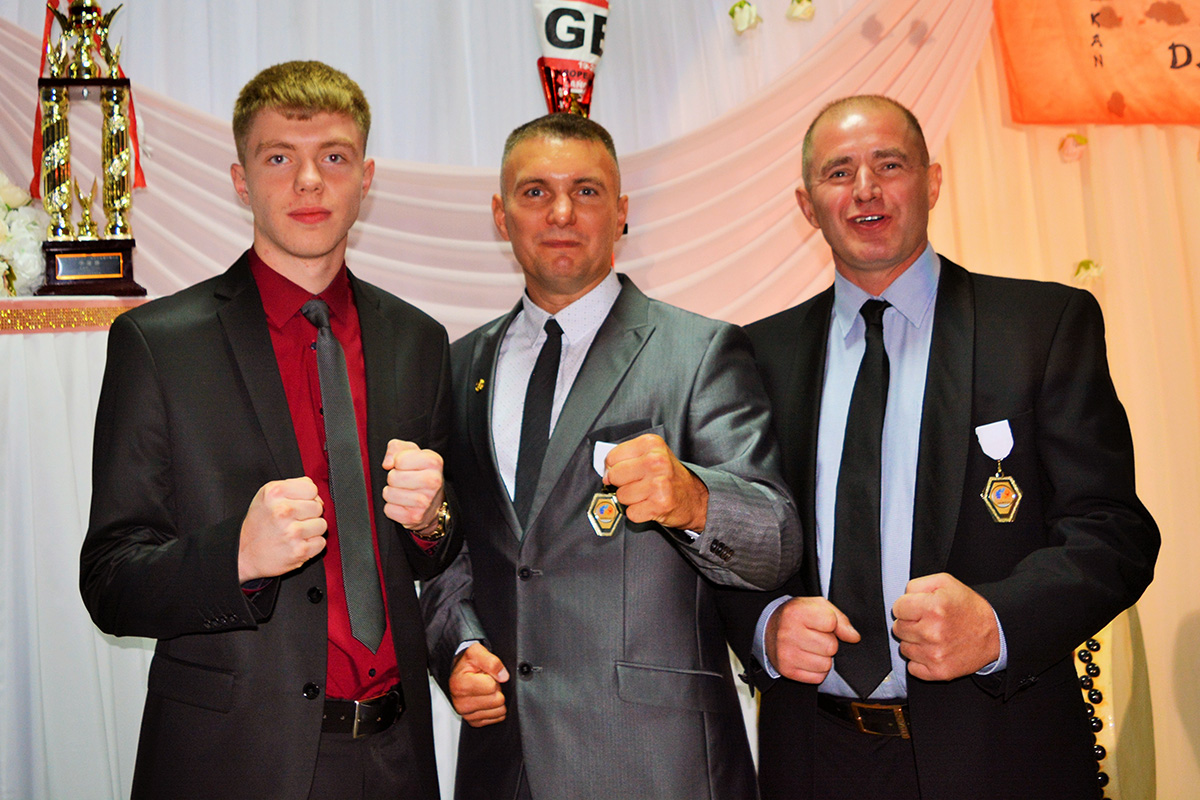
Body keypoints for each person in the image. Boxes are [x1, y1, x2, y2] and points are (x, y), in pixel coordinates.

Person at [717, 94, 1160, 800]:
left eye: (889, 164)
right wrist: (766, 626)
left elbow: (1114, 532)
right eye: (839, 172)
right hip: (816, 760)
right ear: (807, 205)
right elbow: (734, 540)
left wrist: (997, 622)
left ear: (932, 182)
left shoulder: (1040, 325)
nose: (865, 188)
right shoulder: (755, 355)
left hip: (1004, 755)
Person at [79, 61, 459, 800]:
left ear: (366, 178)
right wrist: (238, 557)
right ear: (241, 180)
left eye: (334, 157)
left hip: (398, 756)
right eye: (279, 157)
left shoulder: (419, 340)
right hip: (232, 761)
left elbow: (438, 550)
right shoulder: (157, 344)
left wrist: (434, 520)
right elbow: (110, 580)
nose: (309, 181)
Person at [419, 112, 801, 800]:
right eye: (535, 192)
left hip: (659, 765)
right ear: (502, 216)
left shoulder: (699, 352)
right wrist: (460, 647)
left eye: (586, 191)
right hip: (505, 766)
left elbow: (775, 541)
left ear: (621, 212)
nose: (562, 212)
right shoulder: (457, 365)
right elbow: (453, 553)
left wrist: (695, 499)